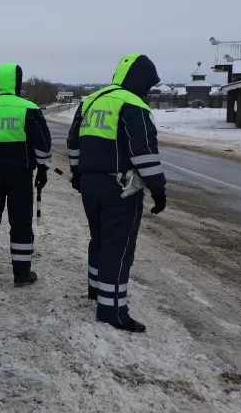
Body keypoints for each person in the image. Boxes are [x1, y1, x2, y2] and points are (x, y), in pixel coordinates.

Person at [67, 53, 166, 333]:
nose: (147, 93)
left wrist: (77, 174)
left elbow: (73, 144)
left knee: (99, 239)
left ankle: (97, 290)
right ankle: (113, 311)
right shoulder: (133, 106)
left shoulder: (91, 101)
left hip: (90, 184)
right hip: (120, 187)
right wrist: (158, 190)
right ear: (142, 81)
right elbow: (144, 153)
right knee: (119, 248)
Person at [0, 64, 52, 285]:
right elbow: (43, 143)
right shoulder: (29, 109)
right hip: (21, 176)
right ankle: (21, 273)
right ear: (18, 82)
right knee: (21, 223)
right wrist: (43, 169)